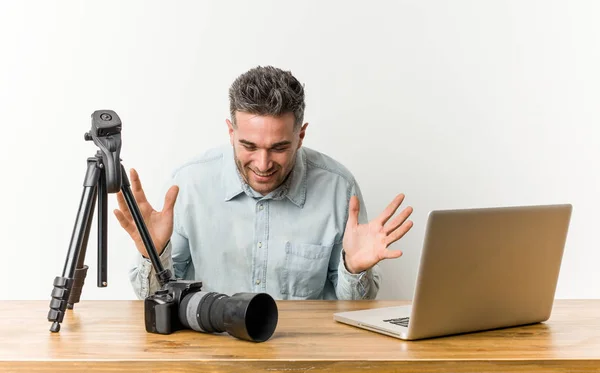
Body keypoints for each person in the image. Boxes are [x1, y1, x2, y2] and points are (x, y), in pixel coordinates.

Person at [118, 66, 413, 300]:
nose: (262, 164)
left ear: (301, 136)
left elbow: (352, 312)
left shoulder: (339, 189)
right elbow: (158, 300)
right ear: (230, 132)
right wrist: (153, 256)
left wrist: (354, 270)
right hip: (214, 352)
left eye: (279, 148)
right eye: (249, 146)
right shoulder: (189, 185)